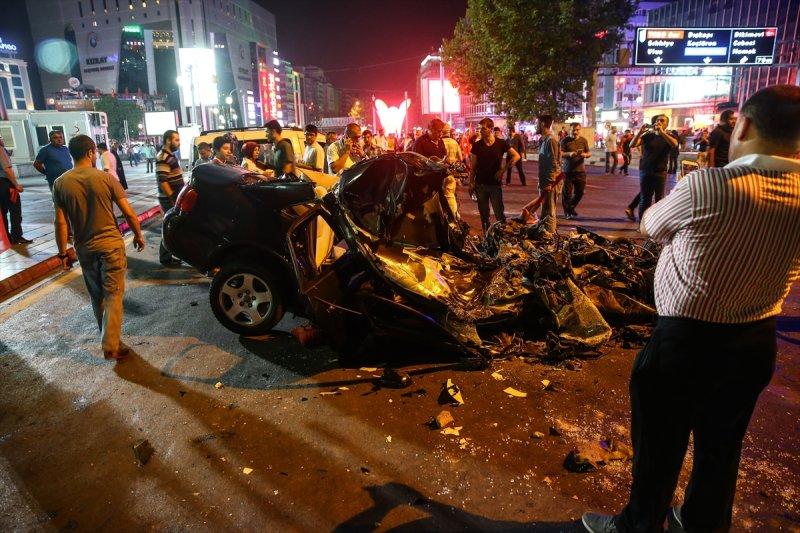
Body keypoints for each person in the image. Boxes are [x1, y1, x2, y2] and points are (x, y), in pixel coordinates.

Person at [582, 84, 800, 533]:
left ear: (745, 125)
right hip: (756, 342)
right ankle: (703, 522)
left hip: (685, 342)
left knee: (659, 448)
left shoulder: (710, 184)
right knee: (722, 448)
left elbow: (651, 223)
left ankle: (640, 526)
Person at [52, 134, 145, 360]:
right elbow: (128, 212)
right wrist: (138, 234)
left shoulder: (60, 183)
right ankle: (111, 343)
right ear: (91, 153)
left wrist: (63, 252)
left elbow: (61, 222)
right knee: (113, 294)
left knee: (97, 295)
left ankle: (111, 340)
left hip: (84, 248)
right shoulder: (106, 179)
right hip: (111, 245)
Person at [468, 117, 520, 233]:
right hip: (480, 184)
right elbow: (473, 167)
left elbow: (516, 156)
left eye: (483, 129)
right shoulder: (477, 145)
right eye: (480, 129)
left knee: (499, 214)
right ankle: (487, 238)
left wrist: (503, 170)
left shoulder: (501, 143)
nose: (480, 131)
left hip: (495, 185)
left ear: (490, 129)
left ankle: (501, 238)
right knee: (484, 215)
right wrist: (471, 184)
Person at [630, 114, 677, 221]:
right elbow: (632, 145)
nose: (659, 122)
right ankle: (642, 225)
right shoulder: (648, 135)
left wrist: (662, 132)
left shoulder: (670, 136)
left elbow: (674, 144)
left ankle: (656, 224)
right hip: (646, 170)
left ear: (667, 124)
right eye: (657, 120)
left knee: (659, 199)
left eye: (662, 120)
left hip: (660, 172)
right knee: (645, 200)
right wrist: (640, 132)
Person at [155, 130, 185, 266]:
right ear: (168, 140)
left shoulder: (169, 155)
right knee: (170, 227)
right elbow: (163, 180)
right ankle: (165, 257)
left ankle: (170, 255)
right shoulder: (163, 157)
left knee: (174, 227)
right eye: (176, 140)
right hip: (169, 199)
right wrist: (173, 197)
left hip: (174, 197)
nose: (179, 143)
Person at [0, 135, 32, 244]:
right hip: (5, 185)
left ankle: (7, 238)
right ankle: (16, 236)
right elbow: (7, 170)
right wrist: (16, 185)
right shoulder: (0, 149)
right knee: (15, 210)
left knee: (2, 213)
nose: (2, 139)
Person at [534, 114, 561, 232]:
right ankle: (545, 236)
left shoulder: (551, 140)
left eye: (536, 124)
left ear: (543, 124)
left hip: (551, 183)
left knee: (549, 213)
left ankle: (550, 238)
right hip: (544, 181)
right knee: (544, 212)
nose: (535, 126)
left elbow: (554, 163)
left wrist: (550, 182)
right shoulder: (543, 140)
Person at [559, 122, 591, 219]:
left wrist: (585, 155)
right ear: (570, 130)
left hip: (580, 170)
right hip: (568, 171)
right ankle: (567, 212)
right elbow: (560, 153)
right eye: (574, 130)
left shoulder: (583, 140)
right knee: (567, 193)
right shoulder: (565, 140)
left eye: (577, 130)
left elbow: (588, 153)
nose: (576, 132)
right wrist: (569, 154)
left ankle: (570, 208)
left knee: (580, 192)